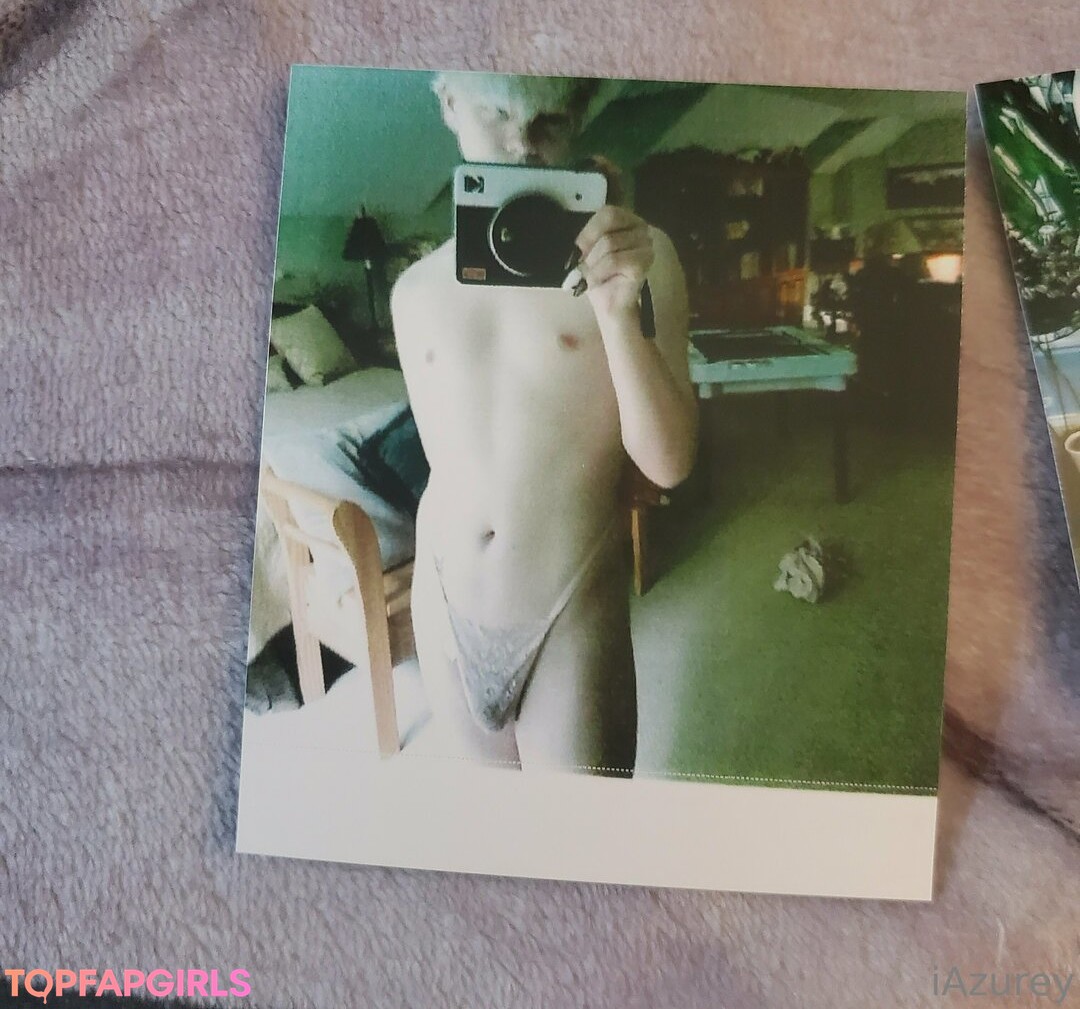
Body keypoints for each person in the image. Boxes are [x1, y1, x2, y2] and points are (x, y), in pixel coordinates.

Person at [391, 72, 697, 776]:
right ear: (449, 104)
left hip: (569, 602)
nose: (523, 144)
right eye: (497, 113)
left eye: (550, 120)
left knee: (577, 833)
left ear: (580, 116)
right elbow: (454, 464)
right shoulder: (413, 291)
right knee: (491, 825)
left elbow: (670, 463)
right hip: (442, 596)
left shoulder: (642, 259)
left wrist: (617, 314)